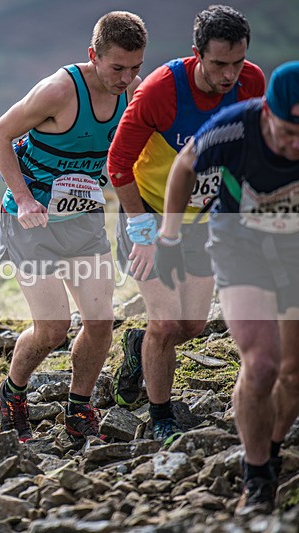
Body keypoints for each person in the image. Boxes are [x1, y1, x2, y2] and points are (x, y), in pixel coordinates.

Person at [107, 4, 265, 446]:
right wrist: (143, 233)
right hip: (150, 211)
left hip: (205, 218)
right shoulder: (161, 91)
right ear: (197, 54)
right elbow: (118, 164)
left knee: (191, 325)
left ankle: (138, 346)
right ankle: (161, 416)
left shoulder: (252, 81)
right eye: (218, 64)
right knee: (165, 322)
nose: (230, 74)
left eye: (237, 62)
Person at [0, 11, 147, 443]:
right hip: (30, 223)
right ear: (93, 55)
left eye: (135, 68)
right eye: (117, 67)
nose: (126, 78)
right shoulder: (59, 91)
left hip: (82, 219)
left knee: (100, 321)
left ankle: (79, 406)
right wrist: (22, 198)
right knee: (52, 329)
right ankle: (13, 392)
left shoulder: (131, 93)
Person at [156, 61, 299, 516]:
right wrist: (169, 237)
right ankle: (255, 477)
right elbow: (183, 167)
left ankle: (271, 454)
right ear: (266, 113)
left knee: (294, 376)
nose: (295, 146)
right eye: (287, 132)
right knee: (260, 365)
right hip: (241, 247)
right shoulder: (235, 127)